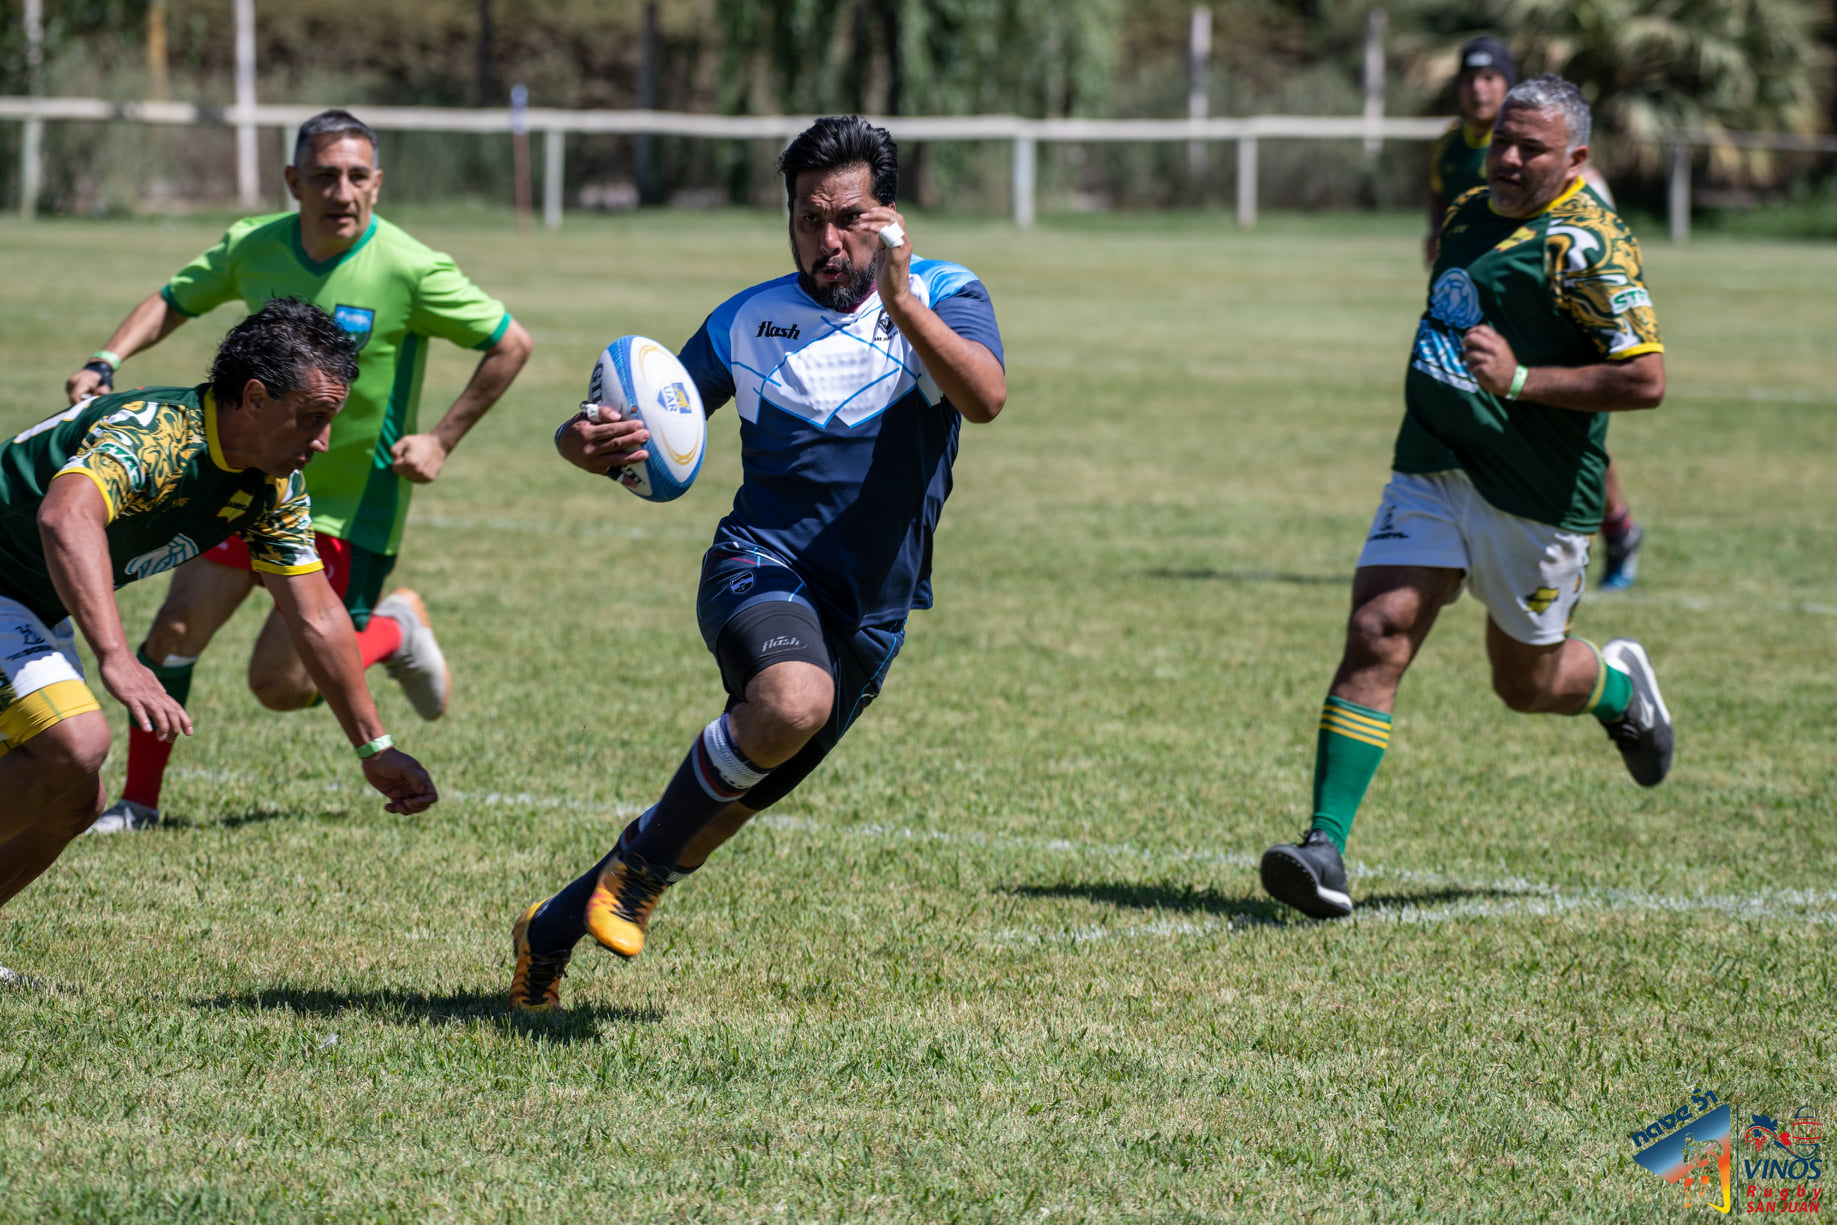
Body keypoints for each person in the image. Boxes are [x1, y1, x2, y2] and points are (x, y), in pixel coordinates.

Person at [507, 115, 1006, 1013]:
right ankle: (640, 870)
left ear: (886, 216)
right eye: (807, 220)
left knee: (711, 821)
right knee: (788, 702)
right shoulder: (747, 319)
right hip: (760, 567)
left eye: (846, 218)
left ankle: (550, 926)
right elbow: (647, 419)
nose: (827, 241)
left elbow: (984, 396)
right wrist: (582, 441)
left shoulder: (947, 293)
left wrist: (902, 302)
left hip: (871, 617)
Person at [1260, 76, 1673, 920]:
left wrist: (1520, 380)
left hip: (1537, 495)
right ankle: (1324, 848)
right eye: (1503, 142)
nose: (1510, 157)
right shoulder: (1468, 211)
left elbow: (1645, 380)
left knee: (1525, 682)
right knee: (1378, 629)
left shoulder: (1588, 247)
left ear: (1576, 160)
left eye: (1532, 148)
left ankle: (1618, 689)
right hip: (1433, 463)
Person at [64, 108, 532, 834]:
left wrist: (440, 438)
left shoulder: (410, 267)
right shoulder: (253, 245)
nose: (340, 191)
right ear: (293, 182)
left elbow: (510, 343)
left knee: (280, 685)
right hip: (247, 479)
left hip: (347, 507)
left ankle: (393, 630)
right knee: (174, 630)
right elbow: (172, 299)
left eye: (355, 177)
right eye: (323, 176)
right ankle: (141, 803)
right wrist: (107, 359)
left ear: (377, 184)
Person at [0, 299, 438, 981]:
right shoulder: (159, 433)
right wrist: (117, 657)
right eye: (313, 416)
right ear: (256, 398)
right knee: (77, 744)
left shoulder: (271, 482)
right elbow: (65, 514)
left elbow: (315, 614)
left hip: (27, 601)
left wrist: (373, 746)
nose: (323, 439)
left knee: (75, 798)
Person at [1427, 37, 1645, 590]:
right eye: (1469, 78)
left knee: (1558, 426)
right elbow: (1439, 208)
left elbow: (1599, 249)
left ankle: (1614, 525)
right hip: (1478, 303)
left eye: (1490, 79)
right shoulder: (1450, 146)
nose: (1479, 88)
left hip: (1546, 311)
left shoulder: (1572, 178)